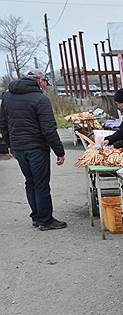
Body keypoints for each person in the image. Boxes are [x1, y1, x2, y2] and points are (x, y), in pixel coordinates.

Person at [0, 69, 67, 230]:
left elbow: (3, 123)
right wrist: (60, 151)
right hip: (36, 147)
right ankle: (46, 220)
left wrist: (10, 145)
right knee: (41, 183)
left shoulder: (7, 96)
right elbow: (48, 129)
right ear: (39, 80)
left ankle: (37, 216)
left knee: (30, 181)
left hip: (19, 147)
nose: (46, 86)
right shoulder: (40, 99)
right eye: (45, 83)